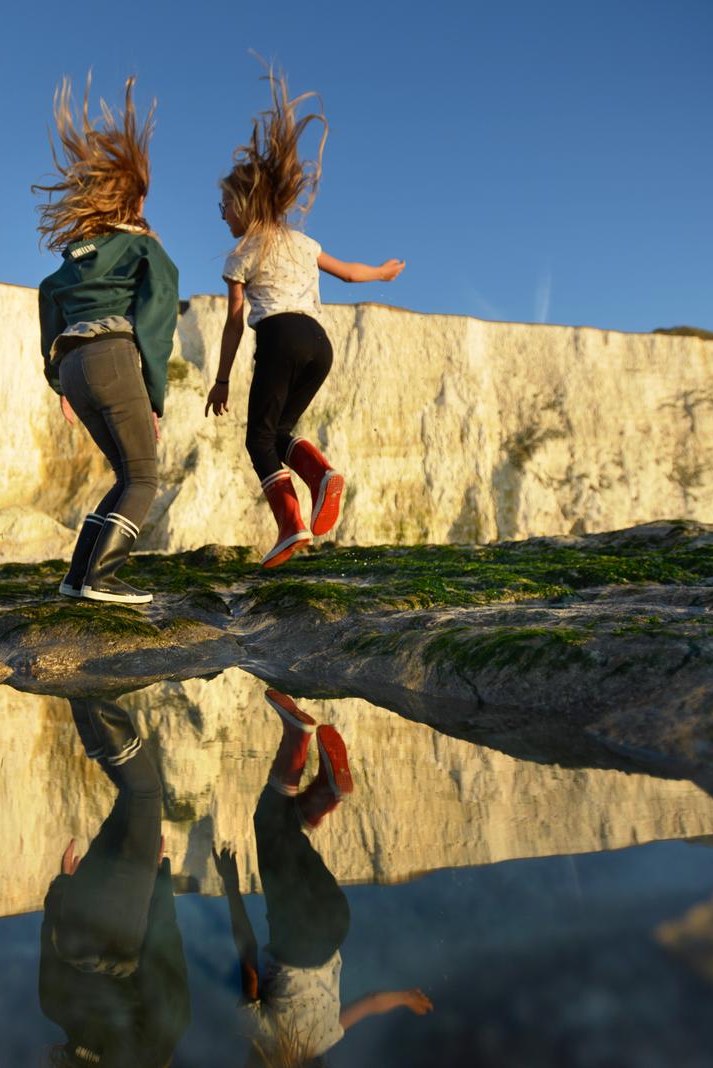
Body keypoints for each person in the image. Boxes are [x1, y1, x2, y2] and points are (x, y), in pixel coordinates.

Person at [203, 69, 405, 568]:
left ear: (245, 205)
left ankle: (292, 526)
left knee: (257, 438)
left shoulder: (241, 251)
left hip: (280, 336)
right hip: (320, 343)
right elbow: (351, 276)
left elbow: (234, 322)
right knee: (279, 432)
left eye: (225, 204)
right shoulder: (302, 241)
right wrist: (382, 272)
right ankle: (321, 477)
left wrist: (223, 379)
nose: (220, 213)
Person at [214, 689, 431, 1066]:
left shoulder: (326, 1038)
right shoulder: (263, 1037)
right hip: (296, 930)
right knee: (267, 822)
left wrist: (405, 998)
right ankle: (297, 737)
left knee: (286, 830)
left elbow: (370, 1004)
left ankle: (323, 795)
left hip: (335, 923)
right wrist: (230, 886)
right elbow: (246, 952)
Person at [35, 76, 180, 604]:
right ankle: (102, 577)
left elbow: (48, 302)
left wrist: (59, 385)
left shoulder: (71, 260)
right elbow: (156, 324)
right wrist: (155, 398)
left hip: (73, 365)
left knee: (123, 473)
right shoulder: (142, 250)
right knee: (143, 476)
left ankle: (77, 576)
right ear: (137, 197)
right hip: (114, 357)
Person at [40, 697, 189, 1067]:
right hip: (76, 915)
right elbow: (49, 941)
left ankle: (99, 702)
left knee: (145, 794)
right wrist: (62, 887)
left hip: (122, 930)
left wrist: (157, 881)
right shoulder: (57, 1010)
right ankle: (83, 699)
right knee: (127, 798)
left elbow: (164, 954)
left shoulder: (150, 1053)